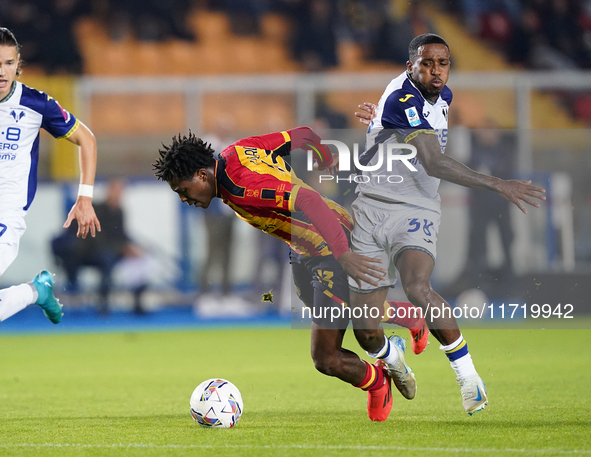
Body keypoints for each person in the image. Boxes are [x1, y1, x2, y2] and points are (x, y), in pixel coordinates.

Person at [153, 127, 424, 422]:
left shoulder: (244, 189)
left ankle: (377, 382)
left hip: (331, 246)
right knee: (318, 304)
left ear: (202, 176)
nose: (183, 199)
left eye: (183, 190)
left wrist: (343, 253)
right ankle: (404, 315)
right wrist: (322, 155)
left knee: (326, 358)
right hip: (304, 248)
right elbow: (302, 134)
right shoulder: (238, 150)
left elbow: (308, 201)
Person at [350, 33, 546, 415]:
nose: (436, 70)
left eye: (443, 63)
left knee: (418, 286)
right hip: (371, 206)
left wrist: (381, 125)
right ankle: (392, 355)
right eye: (426, 63)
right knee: (364, 328)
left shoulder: (444, 97)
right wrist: (497, 183)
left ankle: (469, 379)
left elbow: (419, 141)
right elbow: (434, 161)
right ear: (411, 67)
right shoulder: (402, 98)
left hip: (418, 207)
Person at [0, 27, 100, 324]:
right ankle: (36, 292)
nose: (2, 71)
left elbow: (87, 139)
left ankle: (35, 293)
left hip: (6, 213)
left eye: (8, 63)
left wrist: (85, 196)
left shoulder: (35, 104)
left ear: (18, 64)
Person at [52, 178, 147, 315]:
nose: (119, 194)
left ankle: (138, 302)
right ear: (109, 191)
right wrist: (122, 249)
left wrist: (133, 247)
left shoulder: (119, 211)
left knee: (141, 260)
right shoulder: (97, 209)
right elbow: (96, 238)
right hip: (90, 253)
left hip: (113, 252)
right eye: (116, 190)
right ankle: (103, 304)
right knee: (107, 260)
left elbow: (122, 234)